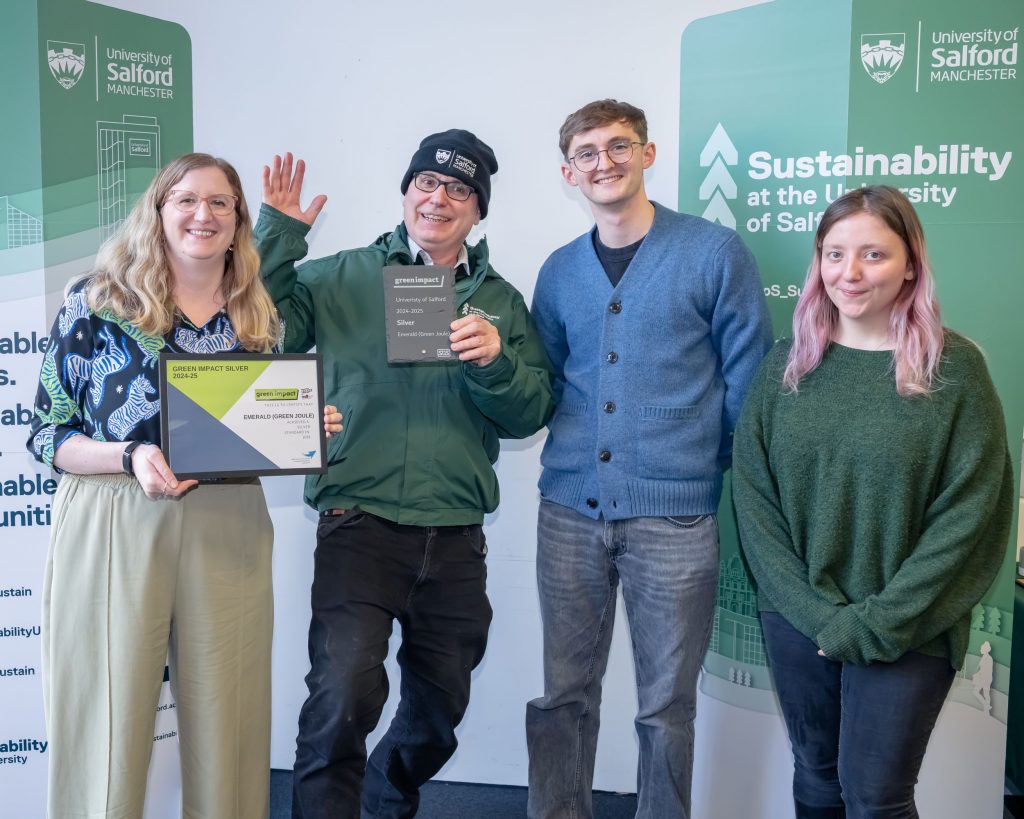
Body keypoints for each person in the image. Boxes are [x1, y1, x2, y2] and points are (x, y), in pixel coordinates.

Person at [27, 152, 341, 818]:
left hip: (229, 514)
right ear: (158, 211)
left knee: (230, 716)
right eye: (187, 200)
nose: (203, 214)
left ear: (238, 220)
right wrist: (129, 455)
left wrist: (301, 427)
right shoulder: (98, 300)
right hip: (115, 514)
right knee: (104, 715)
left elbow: (258, 424)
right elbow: (48, 435)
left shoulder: (257, 313)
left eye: (220, 202)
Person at [254, 132, 554, 818]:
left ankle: (385, 797)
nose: (438, 198)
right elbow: (265, 333)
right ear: (406, 193)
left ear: (477, 210)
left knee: (440, 710)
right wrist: (278, 237)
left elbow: (530, 413)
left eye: (459, 190)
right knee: (342, 696)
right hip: (357, 524)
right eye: (426, 183)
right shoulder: (341, 275)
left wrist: (495, 363)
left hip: (455, 534)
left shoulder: (501, 301)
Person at [733, 186, 1014, 818]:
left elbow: (970, 516)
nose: (850, 273)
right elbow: (754, 499)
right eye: (834, 254)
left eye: (874, 254)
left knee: (876, 798)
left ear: (911, 263)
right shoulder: (786, 366)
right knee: (816, 781)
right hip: (798, 618)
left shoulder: (955, 371)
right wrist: (813, 613)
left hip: (911, 623)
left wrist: (877, 622)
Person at [526, 99, 772, 818]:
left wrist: (694, 464)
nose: (604, 162)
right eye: (587, 152)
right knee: (562, 694)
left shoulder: (713, 252)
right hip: (567, 511)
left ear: (647, 153)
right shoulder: (559, 270)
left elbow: (749, 381)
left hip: (676, 519)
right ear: (569, 173)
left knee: (665, 707)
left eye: (619, 145)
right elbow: (548, 378)